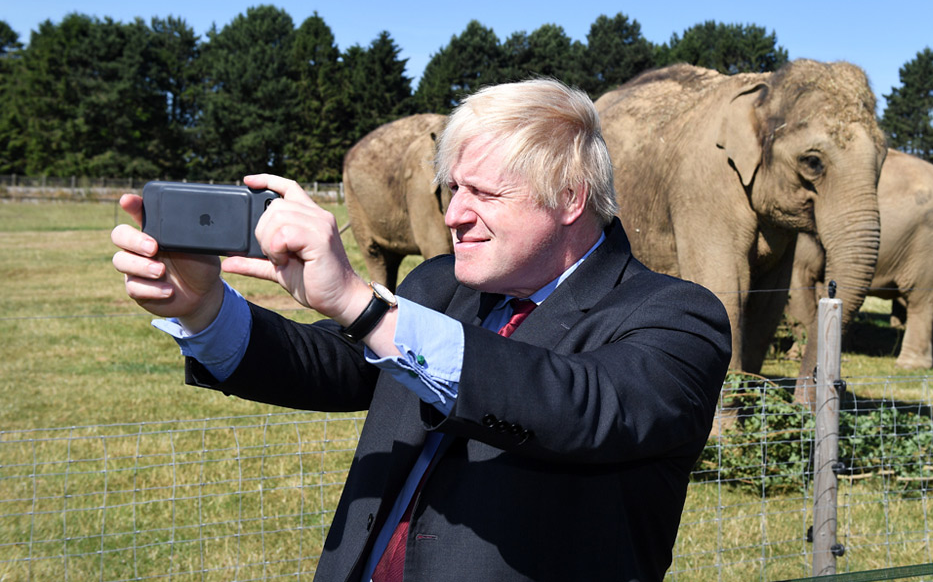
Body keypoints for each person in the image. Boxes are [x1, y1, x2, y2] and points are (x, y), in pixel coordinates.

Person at [111, 78, 732, 582]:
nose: (454, 214)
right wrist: (202, 310)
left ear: (569, 199)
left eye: (484, 192)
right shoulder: (441, 285)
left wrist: (365, 306)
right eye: (453, 187)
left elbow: (578, 405)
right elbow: (334, 365)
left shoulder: (676, 316)